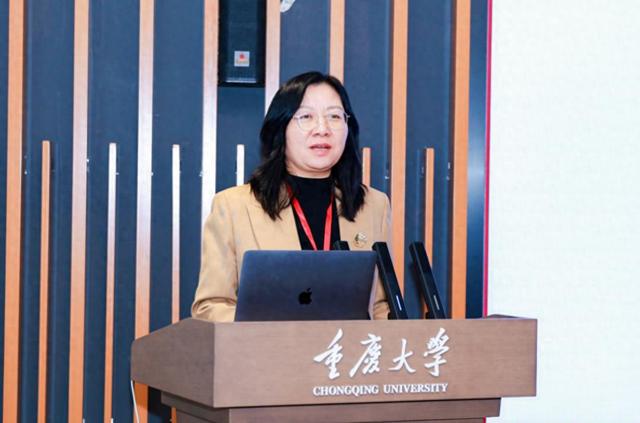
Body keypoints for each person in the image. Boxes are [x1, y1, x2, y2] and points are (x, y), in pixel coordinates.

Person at [191, 71, 391, 322]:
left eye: (334, 116)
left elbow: (380, 307)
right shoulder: (234, 207)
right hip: (268, 346)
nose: (322, 129)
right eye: (306, 116)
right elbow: (210, 306)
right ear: (281, 127)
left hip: (348, 347)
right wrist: (276, 330)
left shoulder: (373, 206)